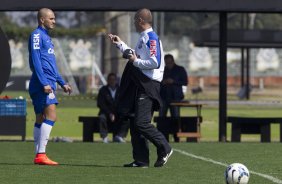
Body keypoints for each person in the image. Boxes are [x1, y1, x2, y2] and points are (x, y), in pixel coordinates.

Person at [108, 8, 173, 168]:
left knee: (141, 122)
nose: (133, 23)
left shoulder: (151, 38)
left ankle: (165, 147)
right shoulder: (143, 38)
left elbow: (154, 61)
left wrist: (136, 62)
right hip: (140, 84)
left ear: (140, 21)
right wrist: (120, 44)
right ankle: (141, 160)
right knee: (133, 121)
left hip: (148, 85)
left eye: (134, 20)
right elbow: (134, 56)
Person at [28, 8, 72, 165]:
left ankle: (38, 154)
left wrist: (62, 82)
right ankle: (41, 154)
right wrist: (44, 83)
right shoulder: (36, 35)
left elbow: (51, 65)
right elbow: (36, 61)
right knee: (51, 115)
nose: (54, 21)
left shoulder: (46, 37)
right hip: (42, 83)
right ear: (42, 20)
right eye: (51, 18)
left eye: (54, 18)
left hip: (46, 81)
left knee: (41, 117)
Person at [159, 54, 188, 142]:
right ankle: (161, 137)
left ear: (173, 61)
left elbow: (185, 82)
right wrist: (163, 82)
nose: (168, 65)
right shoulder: (162, 70)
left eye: (170, 63)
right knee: (161, 118)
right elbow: (157, 81)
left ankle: (176, 137)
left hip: (175, 98)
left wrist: (173, 81)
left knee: (175, 118)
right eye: (166, 63)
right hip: (163, 97)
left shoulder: (180, 69)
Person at [97, 73, 129, 143]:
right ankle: (104, 137)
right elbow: (100, 104)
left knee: (127, 117)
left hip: (118, 112)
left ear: (116, 80)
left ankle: (120, 136)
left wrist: (116, 112)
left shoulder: (121, 90)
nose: (112, 81)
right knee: (102, 117)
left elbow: (123, 103)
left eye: (113, 79)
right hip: (106, 113)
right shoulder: (103, 90)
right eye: (110, 79)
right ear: (107, 80)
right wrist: (110, 113)